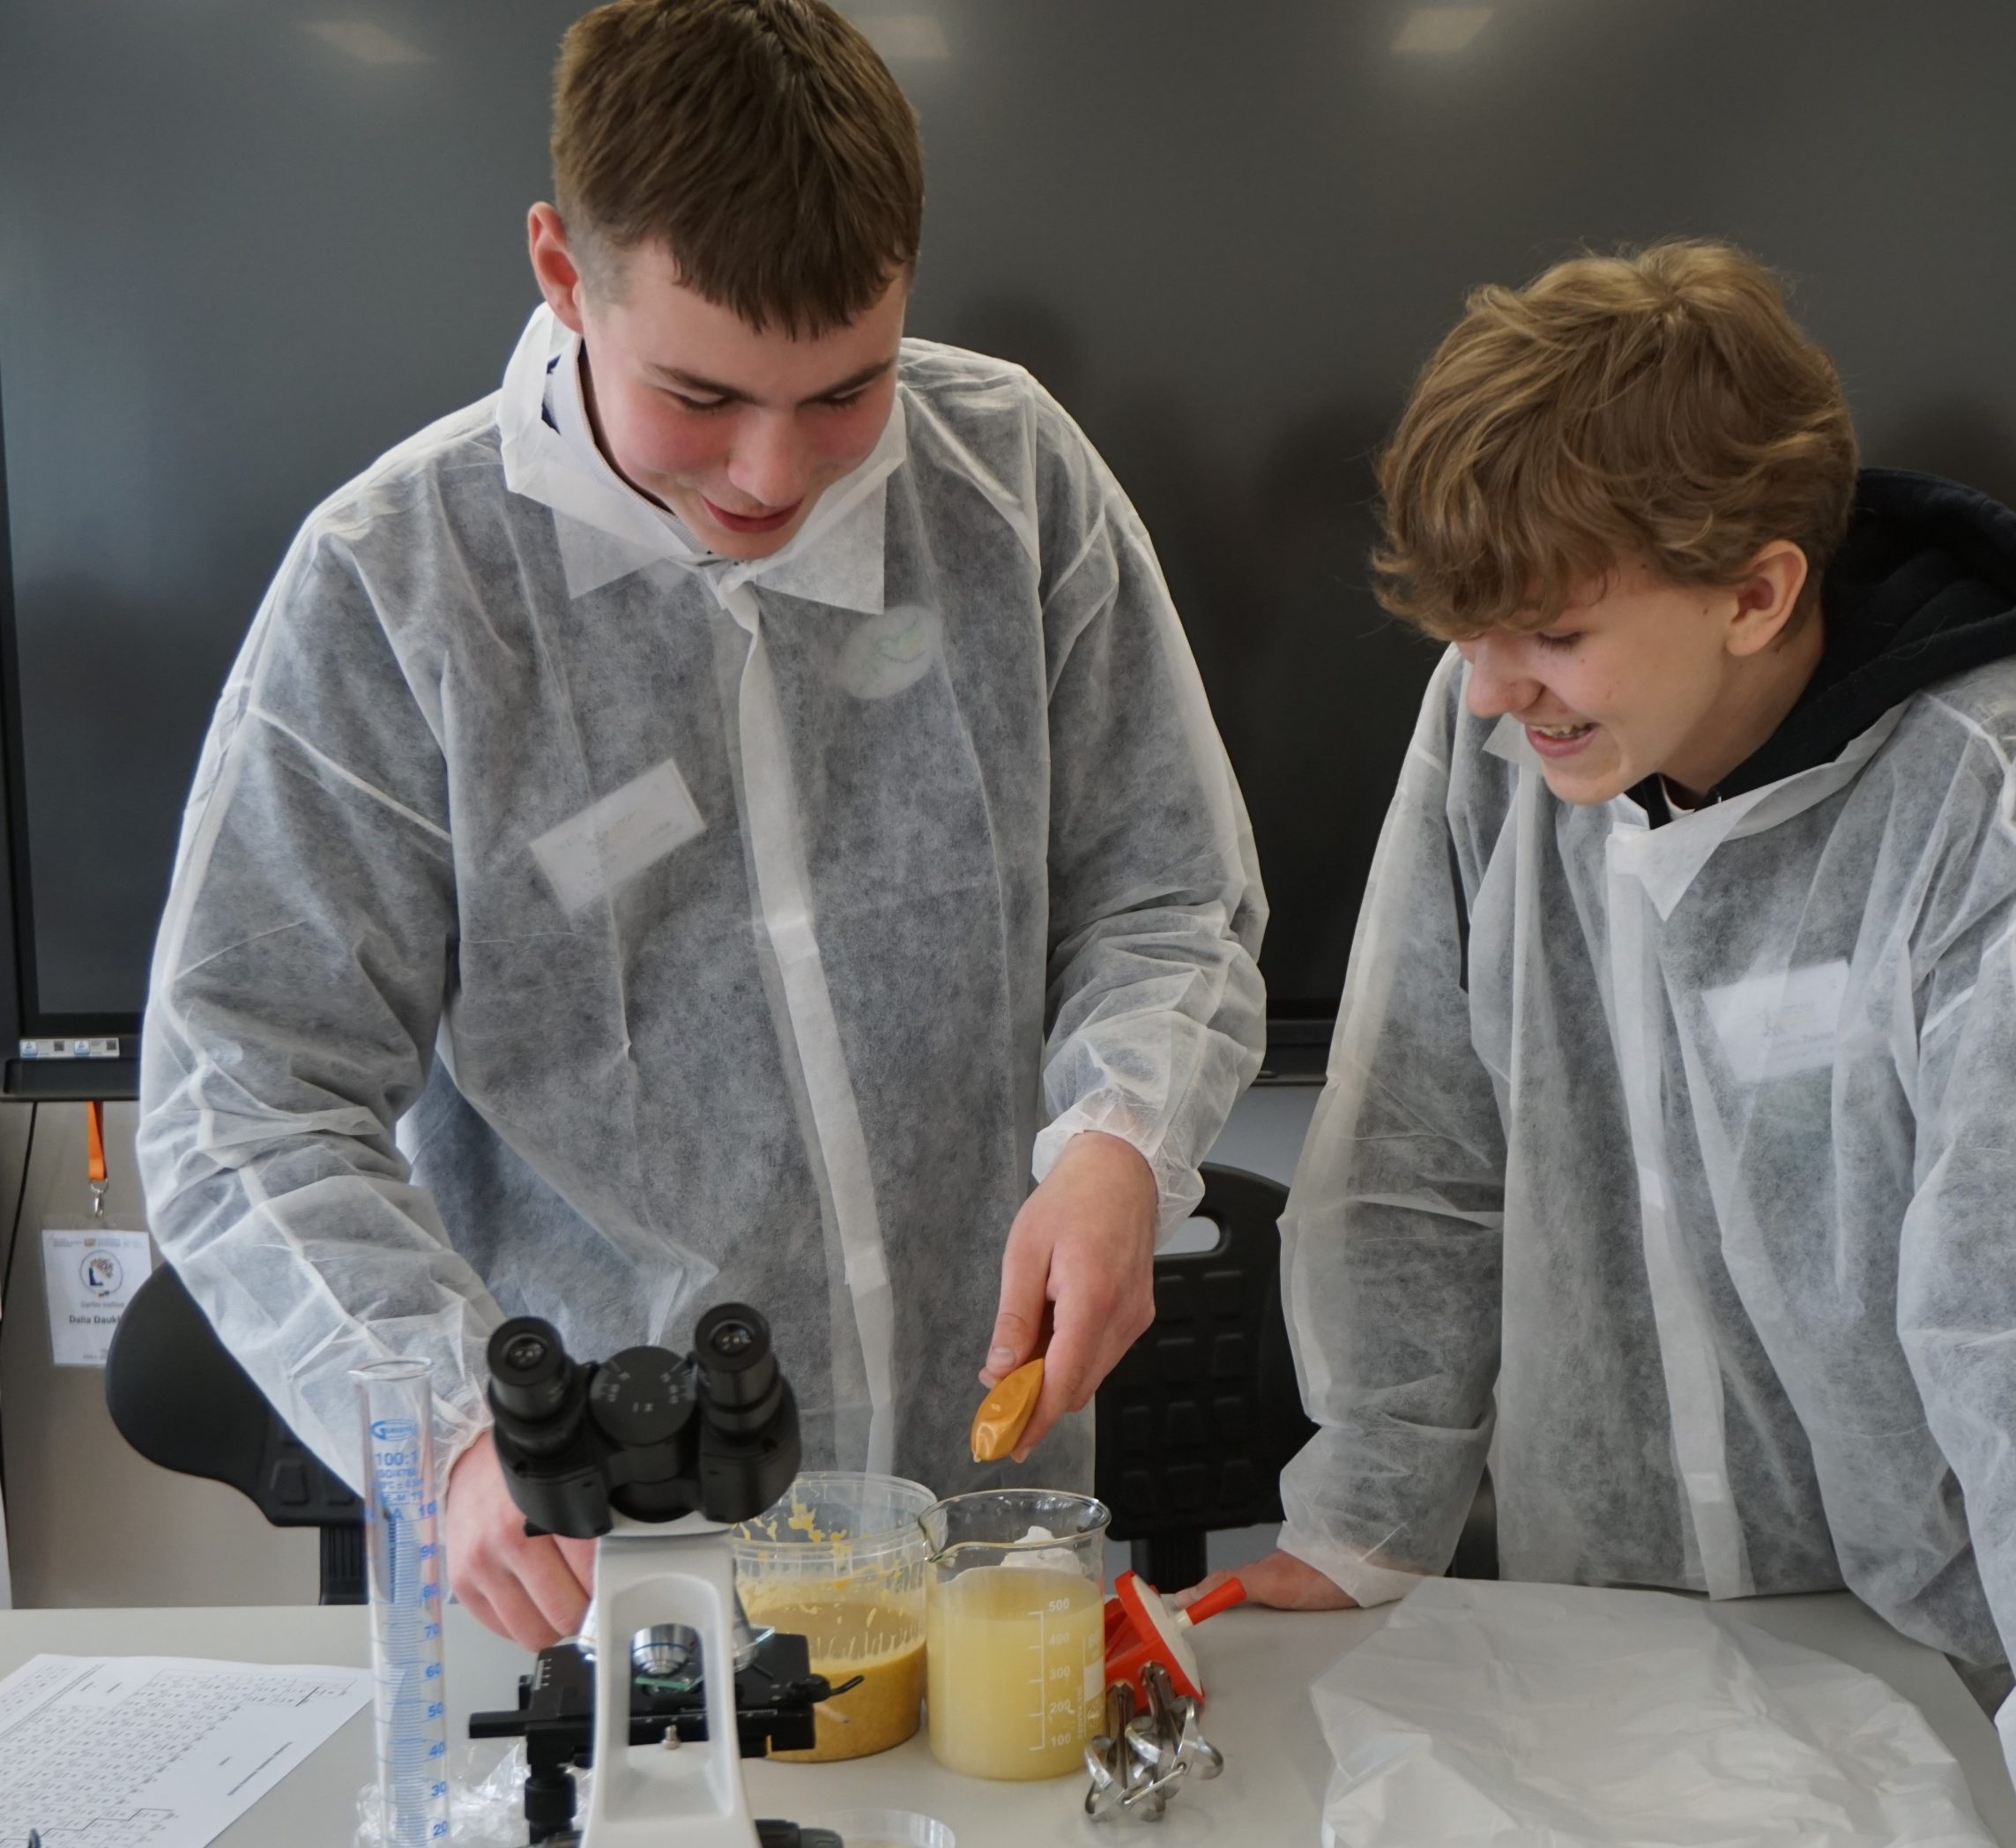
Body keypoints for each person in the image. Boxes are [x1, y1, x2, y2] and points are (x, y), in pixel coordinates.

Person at [137, 0, 1264, 1652]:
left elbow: (1165, 894)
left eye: (847, 390)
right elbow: (244, 1091)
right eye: (700, 394)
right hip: (610, 1567)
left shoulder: (1010, 482)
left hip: (978, 1537)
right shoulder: (401, 584)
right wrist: (451, 1426)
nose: (771, 473)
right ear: (560, 269)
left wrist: (1120, 1138)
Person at [1213, 242, 2016, 1844]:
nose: (1489, 694)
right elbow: (1424, 1132)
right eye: (1470, 636)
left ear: (1757, 593)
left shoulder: (1989, 798)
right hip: (1598, 1644)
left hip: (1929, 1662)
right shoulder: (1502, 733)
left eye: (1551, 633)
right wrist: (1367, 1511)